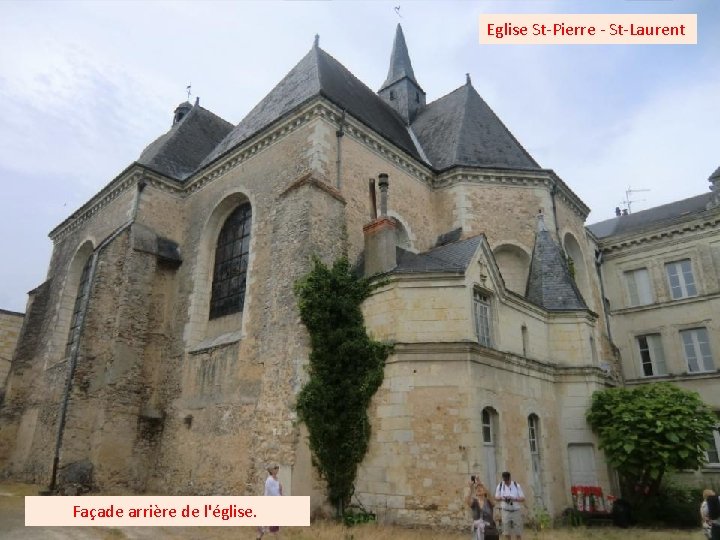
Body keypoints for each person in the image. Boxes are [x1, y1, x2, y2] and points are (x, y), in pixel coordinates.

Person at [494, 471, 525, 540]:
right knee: (506, 532)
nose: (506, 482)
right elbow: (496, 497)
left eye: (507, 480)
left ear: (510, 478)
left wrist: (514, 499)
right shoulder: (500, 486)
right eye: (505, 480)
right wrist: (503, 498)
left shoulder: (516, 485)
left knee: (518, 532)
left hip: (516, 511)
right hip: (505, 511)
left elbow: (523, 498)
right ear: (503, 479)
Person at [257, 464, 282, 540]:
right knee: (273, 525)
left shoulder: (276, 480)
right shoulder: (269, 480)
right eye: (275, 468)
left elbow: (278, 491)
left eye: (277, 468)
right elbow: (273, 493)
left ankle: (258, 538)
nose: (277, 469)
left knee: (268, 525)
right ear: (271, 470)